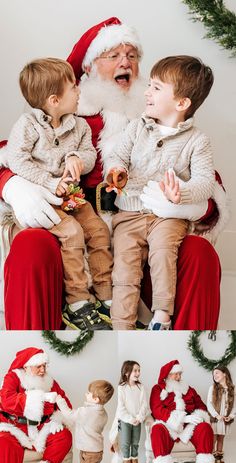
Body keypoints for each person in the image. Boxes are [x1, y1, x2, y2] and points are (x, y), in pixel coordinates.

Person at [0, 16, 223, 331]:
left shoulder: (157, 120)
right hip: (76, 217)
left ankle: (169, 331)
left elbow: (209, 185)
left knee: (201, 254)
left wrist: (185, 204)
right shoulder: (64, 116)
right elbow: (11, 154)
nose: (126, 63)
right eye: (114, 55)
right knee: (30, 247)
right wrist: (15, 188)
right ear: (89, 66)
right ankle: (47, 333)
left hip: (143, 224)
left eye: (132, 56)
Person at [105, 55, 215, 330]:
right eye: (149, 85)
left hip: (166, 218)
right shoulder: (136, 127)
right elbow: (118, 155)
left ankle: (162, 315)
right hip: (129, 213)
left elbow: (206, 182)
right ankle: (121, 326)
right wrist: (116, 170)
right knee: (124, 270)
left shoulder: (197, 141)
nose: (146, 92)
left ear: (181, 103)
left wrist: (182, 193)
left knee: (163, 255)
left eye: (156, 87)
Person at [6, 57, 113, 331]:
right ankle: (78, 300)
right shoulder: (27, 126)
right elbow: (16, 160)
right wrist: (48, 183)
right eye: (73, 87)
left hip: (73, 196)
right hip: (45, 199)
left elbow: (90, 154)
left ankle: (106, 295)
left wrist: (77, 157)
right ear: (54, 100)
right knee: (72, 233)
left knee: (98, 230)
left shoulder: (79, 126)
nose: (79, 91)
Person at [0, 347, 72, 463]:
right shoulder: (13, 377)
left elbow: (64, 403)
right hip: (14, 426)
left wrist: (58, 418)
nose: (43, 369)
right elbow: (8, 401)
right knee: (4, 443)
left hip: (41, 427)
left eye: (45, 365)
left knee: (64, 436)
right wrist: (41, 397)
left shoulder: (49, 381)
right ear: (26, 366)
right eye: (38, 366)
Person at [150, 359, 214, 463]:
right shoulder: (158, 389)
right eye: (176, 374)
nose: (179, 377)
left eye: (180, 374)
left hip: (188, 427)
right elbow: (156, 410)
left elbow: (201, 406)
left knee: (205, 428)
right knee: (156, 430)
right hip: (168, 426)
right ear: (167, 375)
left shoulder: (189, 389)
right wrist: (181, 418)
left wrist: (196, 416)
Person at [56, 379, 114, 463]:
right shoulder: (102, 413)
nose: (85, 394)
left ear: (96, 399)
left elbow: (69, 414)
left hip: (89, 451)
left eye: (88, 393)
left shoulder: (87, 412)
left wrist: (59, 400)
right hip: (96, 449)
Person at [110, 361, 148, 463]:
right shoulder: (122, 388)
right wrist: (130, 419)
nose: (138, 373)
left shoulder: (141, 387)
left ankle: (134, 460)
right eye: (135, 370)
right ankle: (127, 461)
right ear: (127, 372)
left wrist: (139, 418)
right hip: (126, 420)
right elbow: (121, 407)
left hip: (137, 420)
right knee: (126, 442)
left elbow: (144, 404)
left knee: (135, 441)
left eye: (139, 370)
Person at [207, 365, 236, 463]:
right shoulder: (213, 388)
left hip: (225, 420)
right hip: (216, 419)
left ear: (224, 373)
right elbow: (209, 404)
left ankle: (219, 459)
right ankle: (211, 460)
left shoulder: (232, 389)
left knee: (221, 439)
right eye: (213, 374)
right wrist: (216, 415)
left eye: (217, 373)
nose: (214, 375)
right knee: (213, 439)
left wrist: (231, 416)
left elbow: (235, 405)